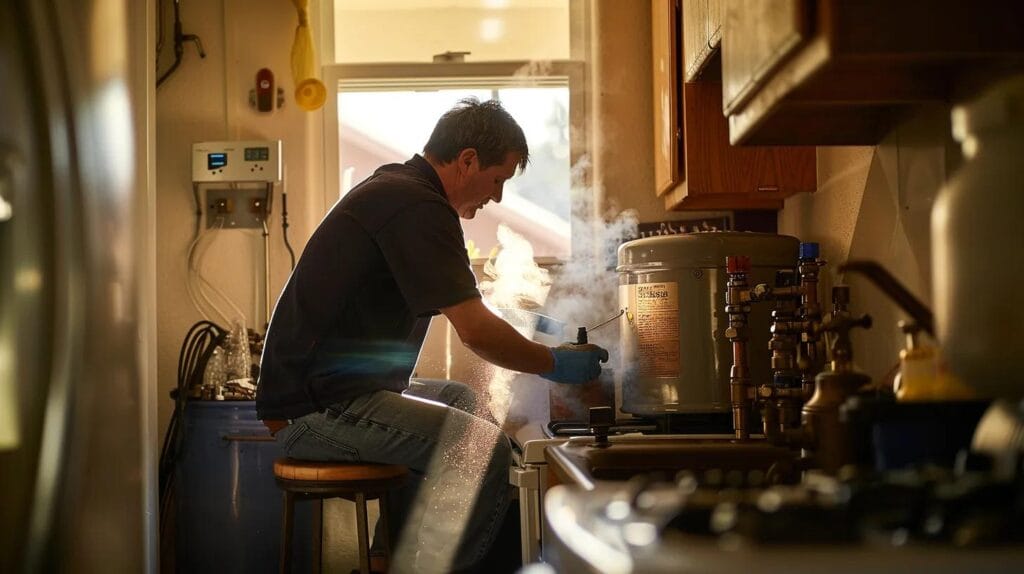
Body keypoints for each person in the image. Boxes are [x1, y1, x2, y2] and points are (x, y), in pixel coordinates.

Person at [256, 97, 608, 573]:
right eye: (498, 180)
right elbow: (476, 331)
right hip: (316, 407)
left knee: (461, 400)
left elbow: (460, 297)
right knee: (482, 455)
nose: (497, 198)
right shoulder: (417, 205)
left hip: (336, 392)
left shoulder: (401, 190)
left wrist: (530, 323)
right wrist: (554, 364)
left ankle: (389, 561)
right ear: (467, 161)